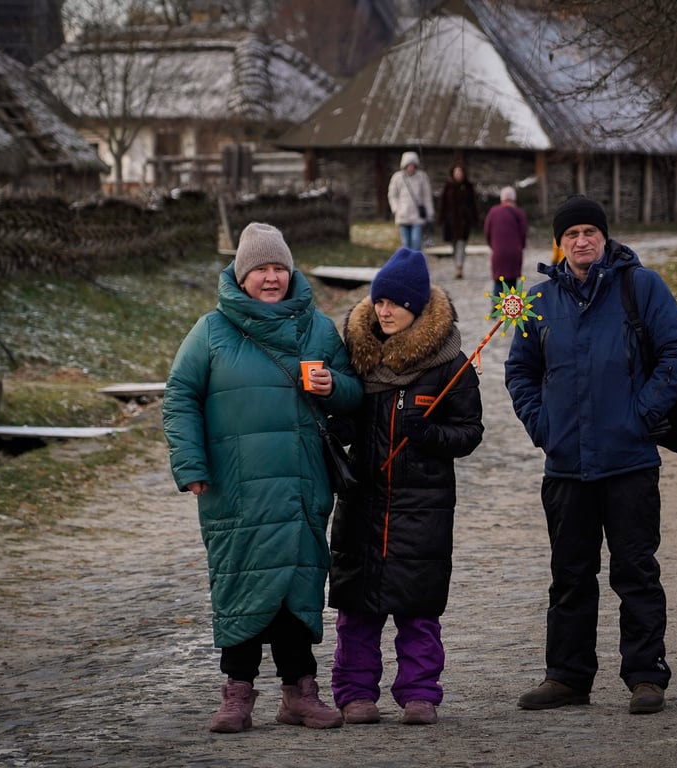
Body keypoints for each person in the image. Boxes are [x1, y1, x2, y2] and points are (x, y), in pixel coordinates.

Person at [504, 195, 677, 715]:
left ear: (605, 237)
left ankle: (645, 676)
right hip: (566, 465)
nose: (582, 240)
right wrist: (541, 424)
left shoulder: (641, 287)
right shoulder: (537, 299)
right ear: (559, 242)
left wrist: (642, 412)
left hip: (629, 461)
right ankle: (567, 677)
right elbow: (519, 369)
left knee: (635, 571)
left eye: (591, 231)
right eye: (572, 234)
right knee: (569, 574)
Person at [162, 222, 363, 734]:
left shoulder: (317, 328)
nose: (271, 278)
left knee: (298, 580)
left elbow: (354, 396)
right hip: (235, 487)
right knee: (239, 582)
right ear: (240, 274)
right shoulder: (210, 331)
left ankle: (301, 693)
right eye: (260, 270)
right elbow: (179, 397)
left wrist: (331, 386)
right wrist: (191, 467)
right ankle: (237, 695)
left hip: (300, 481)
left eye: (279, 268)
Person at [328, 247, 484, 727]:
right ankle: (355, 693)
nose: (385, 310)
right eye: (379, 302)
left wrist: (430, 433)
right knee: (357, 608)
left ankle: (419, 693)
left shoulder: (449, 366)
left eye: (396, 302)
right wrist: (340, 427)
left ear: (418, 307)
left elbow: (470, 432)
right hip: (363, 501)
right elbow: (345, 415)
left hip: (424, 508)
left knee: (418, 608)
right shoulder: (357, 359)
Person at [483, 186, 528, 296]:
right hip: (514, 253)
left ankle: (496, 308)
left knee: (499, 281)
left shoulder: (493, 212)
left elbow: (487, 231)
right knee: (512, 283)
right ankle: (512, 310)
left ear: (502, 199)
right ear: (514, 199)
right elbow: (523, 233)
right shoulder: (519, 213)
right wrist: (520, 247)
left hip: (498, 252)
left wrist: (493, 246)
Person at [438, 164, 479, 280]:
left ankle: (459, 267)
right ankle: (457, 264)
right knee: (454, 245)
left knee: (461, 244)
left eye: (460, 172)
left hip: (464, 221)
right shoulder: (448, 186)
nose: (458, 175)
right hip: (451, 221)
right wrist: (441, 218)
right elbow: (443, 203)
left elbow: (473, 204)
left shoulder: (468, 187)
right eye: (456, 172)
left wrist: (474, 219)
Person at [387, 151, 433, 252]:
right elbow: (392, 195)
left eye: (412, 165)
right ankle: (407, 265)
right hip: (403, 215)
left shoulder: (422, 177)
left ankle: (415, 264)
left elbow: (427, 196)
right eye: (409, 165)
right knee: (406, 243)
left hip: (417, 216)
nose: (410, 168)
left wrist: (429, 213)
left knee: (416, 242)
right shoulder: (397, 178)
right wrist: (396, 209)